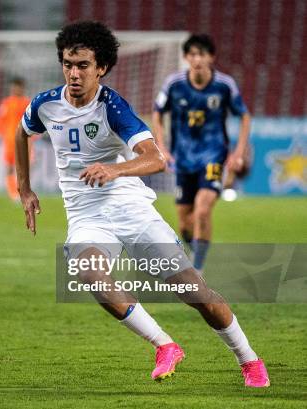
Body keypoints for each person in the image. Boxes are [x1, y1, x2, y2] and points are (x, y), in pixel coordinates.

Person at [15, 21, 269, 387]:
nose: (74, 73)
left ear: (101, 67)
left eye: (83, 65)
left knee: (195, 293)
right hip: (86, 215)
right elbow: (21, 132)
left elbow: (156, 159)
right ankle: (165, 345)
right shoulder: (45, 104)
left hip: (130, 209)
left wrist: (114, 170)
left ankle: (249, 359)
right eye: (68, 64)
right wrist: (24, 189)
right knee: (89, 273)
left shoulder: (112, 107)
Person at [152, 34, 251, 272]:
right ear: (186, 57)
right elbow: (157, 113)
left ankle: (197, 268)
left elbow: (244, 116)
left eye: (202, 54)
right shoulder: (173, 84)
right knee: (185, 220)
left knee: (203, 208)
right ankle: (196, 250)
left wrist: (238, 153)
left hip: (213, 156)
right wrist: (162, 149)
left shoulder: (224, 85)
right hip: (183, 160)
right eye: (192, 54)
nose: (197, 59)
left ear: (211, 57)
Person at [0, 77, 31, 201]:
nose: (15, 89)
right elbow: (0, 120)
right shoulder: (6, 103)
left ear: (22, 88)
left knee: (23, 168)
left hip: (24, 140)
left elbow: (33, 121)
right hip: (9, 140)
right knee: (9, 167)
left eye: (18, 87)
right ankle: (13, 193)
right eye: (14, 87)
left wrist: (35, 136)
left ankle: (23, 191)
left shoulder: (27, 103)